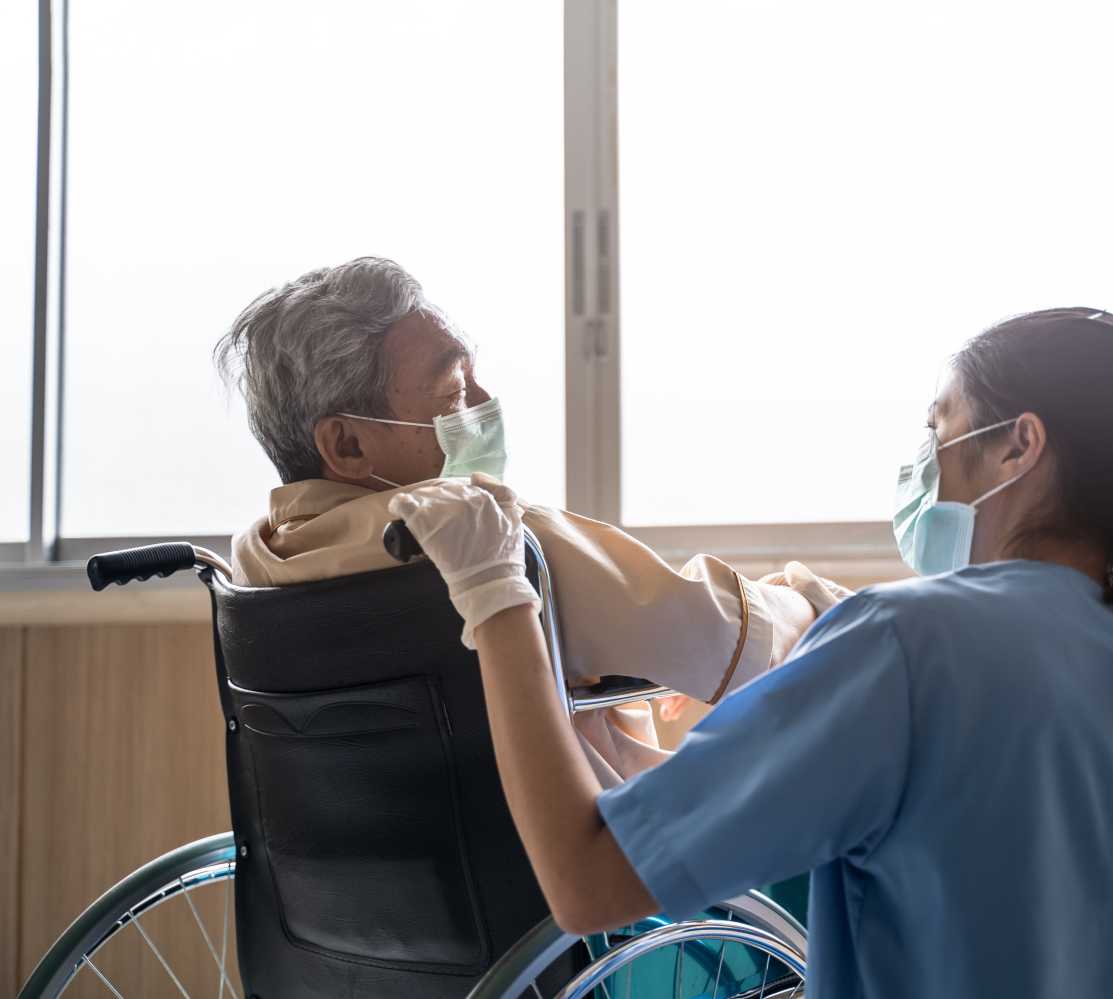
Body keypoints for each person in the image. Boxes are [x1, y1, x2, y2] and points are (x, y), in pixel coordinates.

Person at [394, 307, 1113, 997]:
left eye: (939, 427)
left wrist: (496, 592)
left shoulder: (909, 642)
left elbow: (587, 882)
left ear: (1020, 443)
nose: (925, 459)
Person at [215, 256, 846, 784]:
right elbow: (729, 643)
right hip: (597, 901)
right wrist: (804, 597)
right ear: (347, 446)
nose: (487, 405)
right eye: (456, 392)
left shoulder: (257, 563)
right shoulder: (488, 543)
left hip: (368, 907)